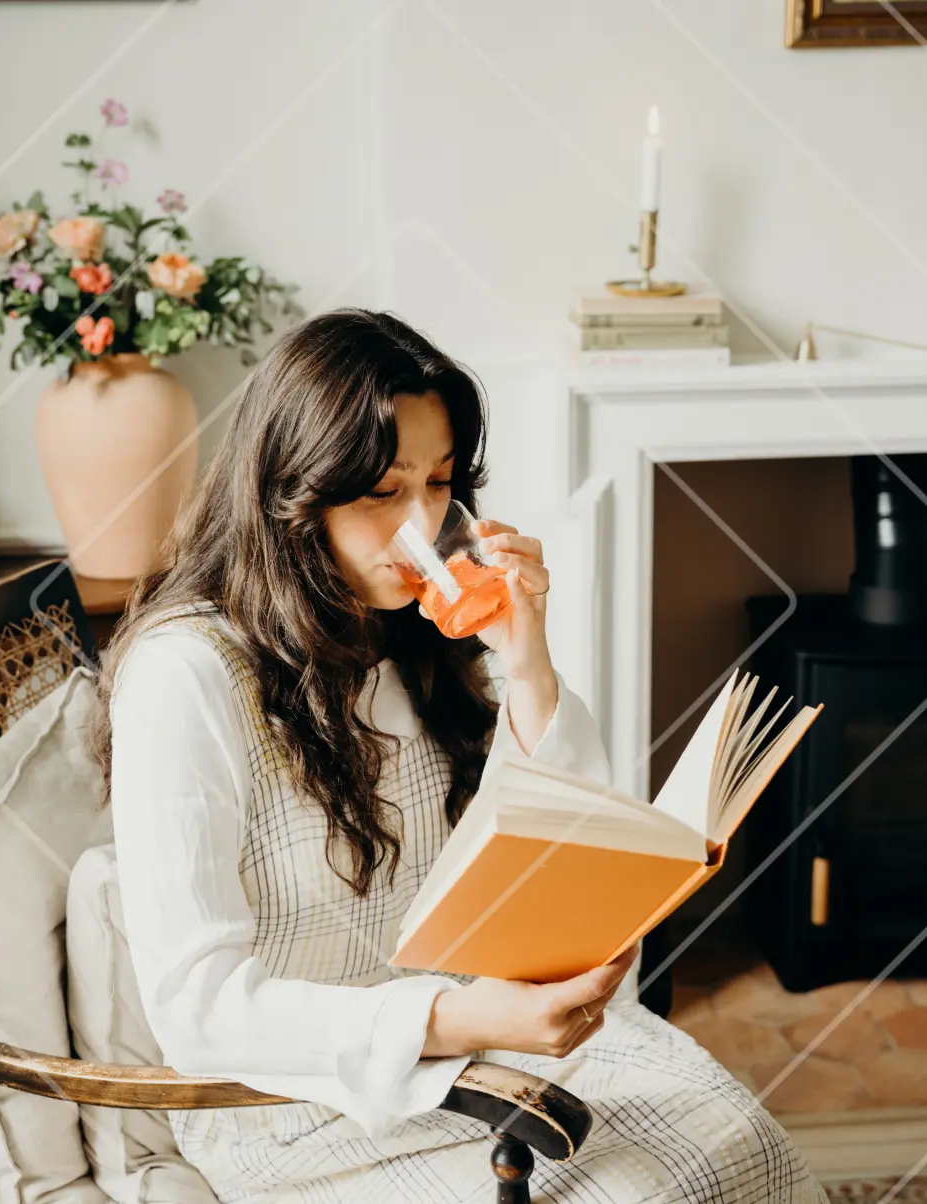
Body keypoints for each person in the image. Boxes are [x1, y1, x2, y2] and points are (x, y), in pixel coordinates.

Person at [92, 309, 826, 1203]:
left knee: (736, 1138)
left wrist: (529, 661)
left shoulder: (394, 633)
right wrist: (461, 1016)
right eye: (382, 492)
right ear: (290, 492)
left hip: (468, 1027)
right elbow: (198, 1010)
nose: (423, 525)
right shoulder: (185, 675)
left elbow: (541, 832)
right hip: (294, 1099)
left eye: (440, 484)